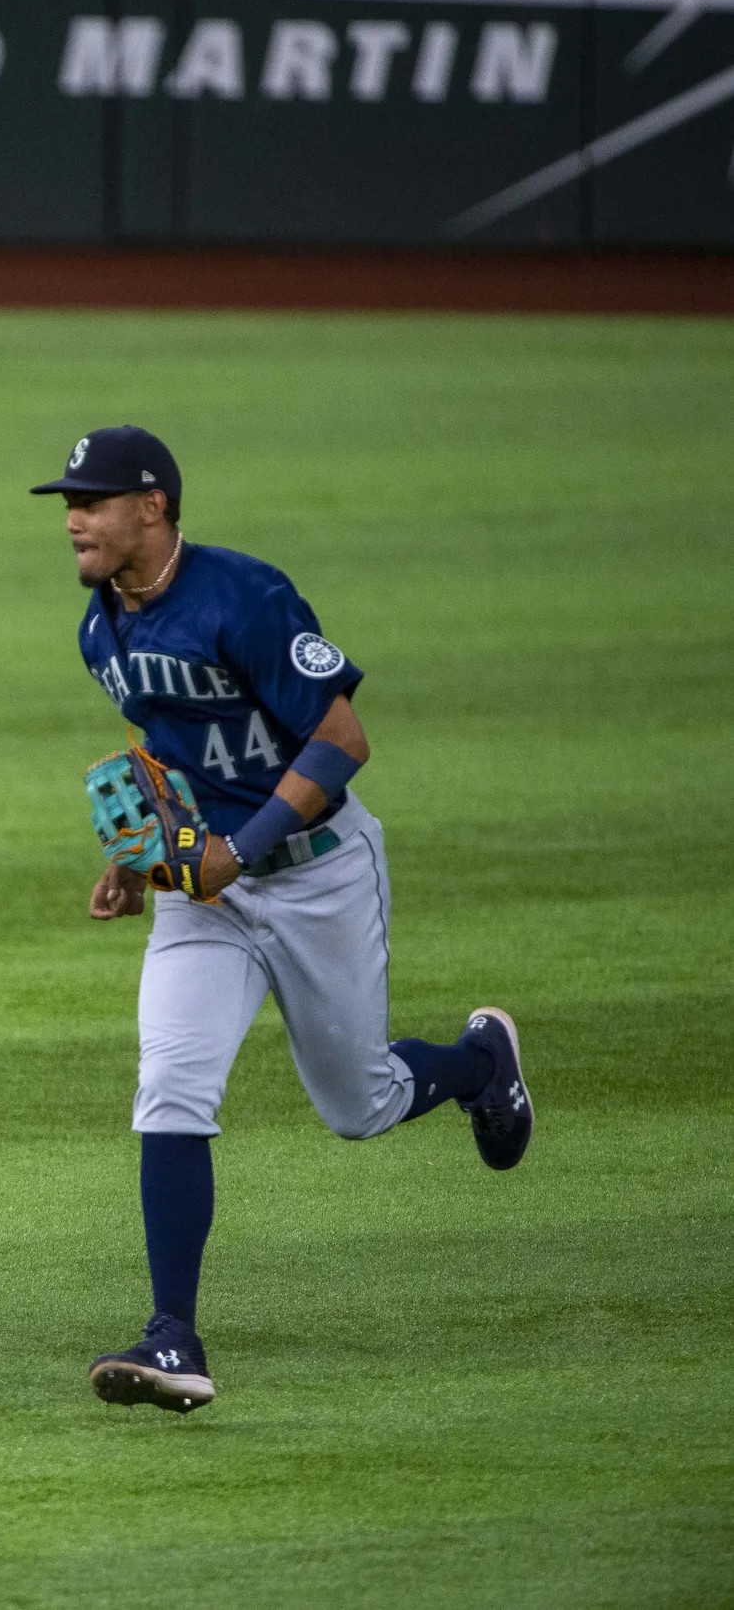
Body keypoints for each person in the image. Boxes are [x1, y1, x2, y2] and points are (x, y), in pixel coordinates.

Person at [36, 427, 534, 1413]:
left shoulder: (243, 595)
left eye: (92, 500)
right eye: (67, 501)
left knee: (358, 1104)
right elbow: (162, 742)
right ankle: (170, 1335)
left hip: (316, 875)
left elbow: (341, 735)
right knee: (169, 1082)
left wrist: (242, 844)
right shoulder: (100, 627)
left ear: (153, 506)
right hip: (201, 897)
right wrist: (136, 857)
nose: (73, 518)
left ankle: (480, 1061)